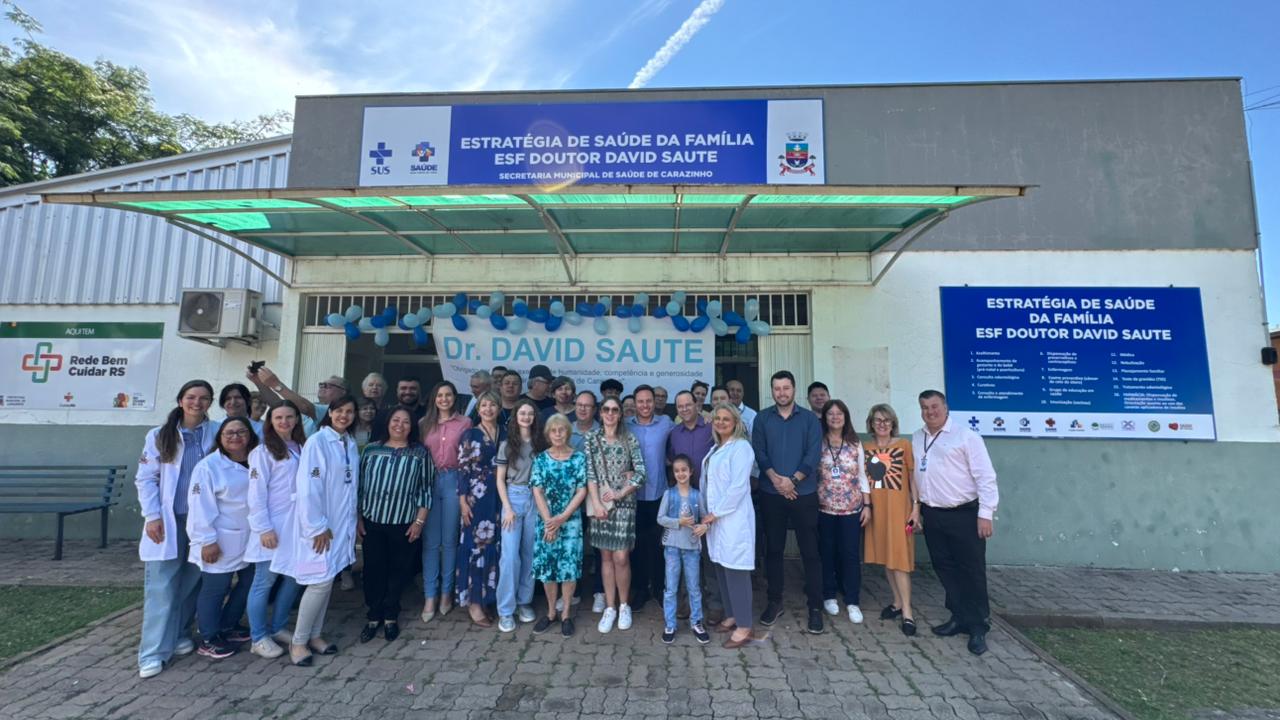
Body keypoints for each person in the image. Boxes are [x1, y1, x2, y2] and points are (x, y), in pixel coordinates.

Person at [135, 380, 217, 678]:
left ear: (210, 403)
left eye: (204, 398)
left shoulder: (217, 431)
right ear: (181, 400)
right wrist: (152, 515)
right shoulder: (160, 435)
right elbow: (146, 479)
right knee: (162, 586)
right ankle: (152, 653)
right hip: (169, 521)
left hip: (202, 522)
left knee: (192, 582)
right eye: (191, 397)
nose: (197, 403)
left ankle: (180, 633)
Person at [275, 394, 360, 666]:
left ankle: (315, 635)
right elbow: (308, 488)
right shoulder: (317, 442)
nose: (344, 416)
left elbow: (350, 486)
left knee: (328, 579)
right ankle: (298, 642)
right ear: (330, 413)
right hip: (320, 526)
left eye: (349, 412)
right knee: (319, 582)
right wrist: (316, 526)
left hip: (341, 524)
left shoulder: (349, 443)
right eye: (339, 410)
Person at [913, 390, 999, 656]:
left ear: (946, 407)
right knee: (945, 568)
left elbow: (985, 477)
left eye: (934, 406)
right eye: (925, 407)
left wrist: (986, 513)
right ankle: (959, 616)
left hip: (964, 514)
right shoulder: (917, 437)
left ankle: (978, 626)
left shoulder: (966, 437)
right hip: (933, 514)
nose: (930, 411)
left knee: (971, 571)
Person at [751, 370, 825, 634]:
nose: (781, 393)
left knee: (810, 551)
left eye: (786, 388)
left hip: (803, 494)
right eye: (777, 388)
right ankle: (774, 601)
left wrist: (792, 481)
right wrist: (776, 480)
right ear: (772, 391)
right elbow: (759, 452)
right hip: (772, 494)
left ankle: (815, 607)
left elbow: (813, 454)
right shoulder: (762, 418)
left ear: (794, 389)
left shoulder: (809, 419)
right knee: (774, 550)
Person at [357, 408, 431, 643]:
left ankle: (390, 615)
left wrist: (419, 522)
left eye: (405, 421)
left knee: (398, 570)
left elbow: (426, 489)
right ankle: (373, 615)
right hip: (373, 520)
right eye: (395, 420)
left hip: (404, 522)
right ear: (387, 423)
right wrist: (358, 518)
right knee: (373, 569)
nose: (400, 425)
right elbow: (359, 486)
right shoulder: (371, 450)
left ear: (412, 426)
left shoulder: (420, 453)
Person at [187, 416, 257, 659]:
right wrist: (207, 540)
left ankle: (228, 624)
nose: (235, 437)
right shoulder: (208, 467)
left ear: (250, 435)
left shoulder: (257, 460)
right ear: (220, 437)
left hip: (250, 537)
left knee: (251, 582)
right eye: (229, 433)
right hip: (219, 539)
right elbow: (199, 506)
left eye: (241, 432)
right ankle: (208, 638)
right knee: (216, 588)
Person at [245, 401, 306, 659]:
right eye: (278, 417)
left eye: (289, 417)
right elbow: (256, 494)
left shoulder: (301, 446)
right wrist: (264, 528)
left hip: (297, 526)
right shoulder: (262, 452)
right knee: (264, 581)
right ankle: (258, 637)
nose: (284, 422)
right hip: (273, 525)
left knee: (293, 578)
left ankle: (278, 626)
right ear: (270, 421)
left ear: (297, 419)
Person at [699, 403, 758, 649]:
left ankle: (745, 626)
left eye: (726, 418)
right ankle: (732, 614)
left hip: (732, 519)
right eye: (717, 418)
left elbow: (738, 487)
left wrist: (715, 514)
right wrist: (709, 513)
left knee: (736, 570)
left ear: (736, 422)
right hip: (715, 519)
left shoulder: (742, 448)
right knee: (722, 566)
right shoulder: (715, 448)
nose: (721, 422)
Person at [584, 396, 645, 633]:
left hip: (625, 505)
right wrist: (597, 503)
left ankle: (624, 605)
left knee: (621, 557)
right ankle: (610, 607)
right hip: (600, 505)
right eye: (606, 409)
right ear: (600, 413)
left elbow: (641, 473)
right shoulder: (592, 438)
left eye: (615, 410)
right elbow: (590, 473)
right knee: (606, 557)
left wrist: (620, 493)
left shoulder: (629, 438)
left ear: (620, 414)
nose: (610, 414)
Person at [530, 414, 588, 637]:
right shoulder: (541, 459)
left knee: (568, 568)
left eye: (561, 430)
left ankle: (566, 615)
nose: (557, 434)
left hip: (570, 521)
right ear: (548, 434)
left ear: (568, 432)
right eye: (553, 431)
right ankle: (551, 612)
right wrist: (549, 522)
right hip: (546, 522)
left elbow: (581, 490)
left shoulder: (579, 458)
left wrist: (562, 518)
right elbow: (537, 490)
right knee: (549, 568)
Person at [863, 403, 919, 636]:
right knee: (887, 557)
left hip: (900, 510)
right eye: (878, 420)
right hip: (877, 511)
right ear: (871, 423)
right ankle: (896, 602)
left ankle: (908, 612)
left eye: (887, 420)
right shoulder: (866, 448)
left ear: (893, 423)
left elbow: (913, 479)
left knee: (900, 559)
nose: (882, 424)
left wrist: (916, 508)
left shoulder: (904, 445)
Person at [420, 381, 471, 622]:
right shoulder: (423, 423)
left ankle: (446, 593)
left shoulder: (465, 423)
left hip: (454, 480)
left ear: (454, 397)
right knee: (430, 542)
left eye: (448, 395)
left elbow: (468, 456)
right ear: (434, 398)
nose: (444, 399)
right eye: (439, 395)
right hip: (429, 480)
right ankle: (430, 595)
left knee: (450, 541)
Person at [817, 399, 871, 625]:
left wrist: (867, 505)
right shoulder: (818, 441)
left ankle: (852, 600)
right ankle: (829, 595)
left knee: (850, 555)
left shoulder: (855, 443)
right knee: (827, 552)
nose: (835, 417)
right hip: (824, 508)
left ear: (846, 417)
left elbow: (862, 476)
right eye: (830, 414)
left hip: (852, 509)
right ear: (825, 417)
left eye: (839, 413)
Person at [495, 400, 547, 632]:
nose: (526, 417)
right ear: (515, 417)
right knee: (509, 557)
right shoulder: (507, 445)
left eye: (530, 413)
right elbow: (499, 479)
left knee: (529, 553)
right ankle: (506, 610)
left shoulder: (541, 443)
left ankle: (523, 601)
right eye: (522, 413)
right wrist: (507, 507)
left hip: (535, 498)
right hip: (513, 498)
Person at [455, 391, 505, 627]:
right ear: (478, 409)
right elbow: (463, 469)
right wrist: (462, 501)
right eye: (484, 405)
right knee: (475, 548)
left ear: (499, 408)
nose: (488, 409)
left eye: (492, 405)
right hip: (476, 497)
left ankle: (487, 598)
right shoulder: (470, 434)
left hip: (500, 497)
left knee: (495, 548)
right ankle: (474, 602)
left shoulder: (505, 432)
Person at [627, 385, 676, 611]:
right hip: (633, 495)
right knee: (637, 545)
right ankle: (640, 589)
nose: (645, 405)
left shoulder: (666, 423)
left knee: (658, 544)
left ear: (654, 402)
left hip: (658, 494)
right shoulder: (626, 425)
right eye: (641, 401)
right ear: (635, 403)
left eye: (649, 401)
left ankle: (658, 587)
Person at [657, 455, 710, 645]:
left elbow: (705, 518)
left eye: (684, 470)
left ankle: (696, 622)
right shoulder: (669, 494)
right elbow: (660, 518)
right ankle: (670, 624)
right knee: (670, 588)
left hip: (692, 548)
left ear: (691, 472)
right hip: (672, 547)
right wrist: (678, 521)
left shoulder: (697, 495)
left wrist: (704, 527)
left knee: (694, 587)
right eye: (677, 471)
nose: (680, 474)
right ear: (673, 473)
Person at [667, 390, 713, 486]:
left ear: (696, 405)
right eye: (680, 406)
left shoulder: (711, 428)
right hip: (685, 491)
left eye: (688, 405)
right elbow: (672, 460)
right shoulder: (674, 433)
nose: (684, 409)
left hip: (710, 490)